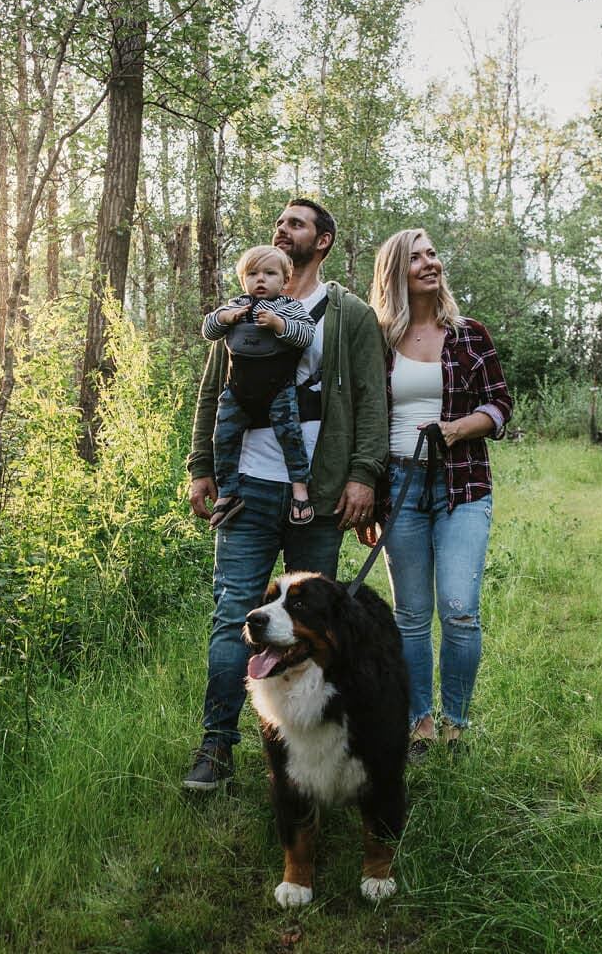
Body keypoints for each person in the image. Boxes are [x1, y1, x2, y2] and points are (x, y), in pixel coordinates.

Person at [182, 198, 389, 791]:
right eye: (280, 223)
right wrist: (202, 467)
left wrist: (364, 475)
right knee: (232, 620)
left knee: (310, 629)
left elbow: (373, 401)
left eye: (296, 223)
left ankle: (308, 755)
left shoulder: (347, 314)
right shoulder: (242, 309)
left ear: (321, 242)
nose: (283, 230)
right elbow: (211, 392)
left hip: (316, 499)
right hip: (244, 491)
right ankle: (216, 747)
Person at [363, 228, 512, 758]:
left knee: (459, 607)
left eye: (432, 254)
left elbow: (499, 408)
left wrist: (455, 428)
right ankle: (418, 721)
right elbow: (364, 419)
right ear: (395, 272)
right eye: (417, 257)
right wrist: (366, 490)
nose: (431, 263)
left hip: (463, 484)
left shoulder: (469, 334)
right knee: (410, 614)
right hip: (398, 485)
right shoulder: (376, 340)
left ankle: (456, 722)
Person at [202, 245, 317, 528]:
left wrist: (279, 325)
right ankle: (228, 492)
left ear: (284, 279)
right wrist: (224, 318)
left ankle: (300, 487)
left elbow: (307, 335)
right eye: (252, 274)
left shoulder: (290, 308)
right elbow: (208, 330)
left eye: (269, 273)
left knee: (290, 436)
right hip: (237, 390)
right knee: (224, 437)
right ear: (243, 280)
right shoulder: (235, 305)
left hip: (278, 389)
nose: (260, 280)